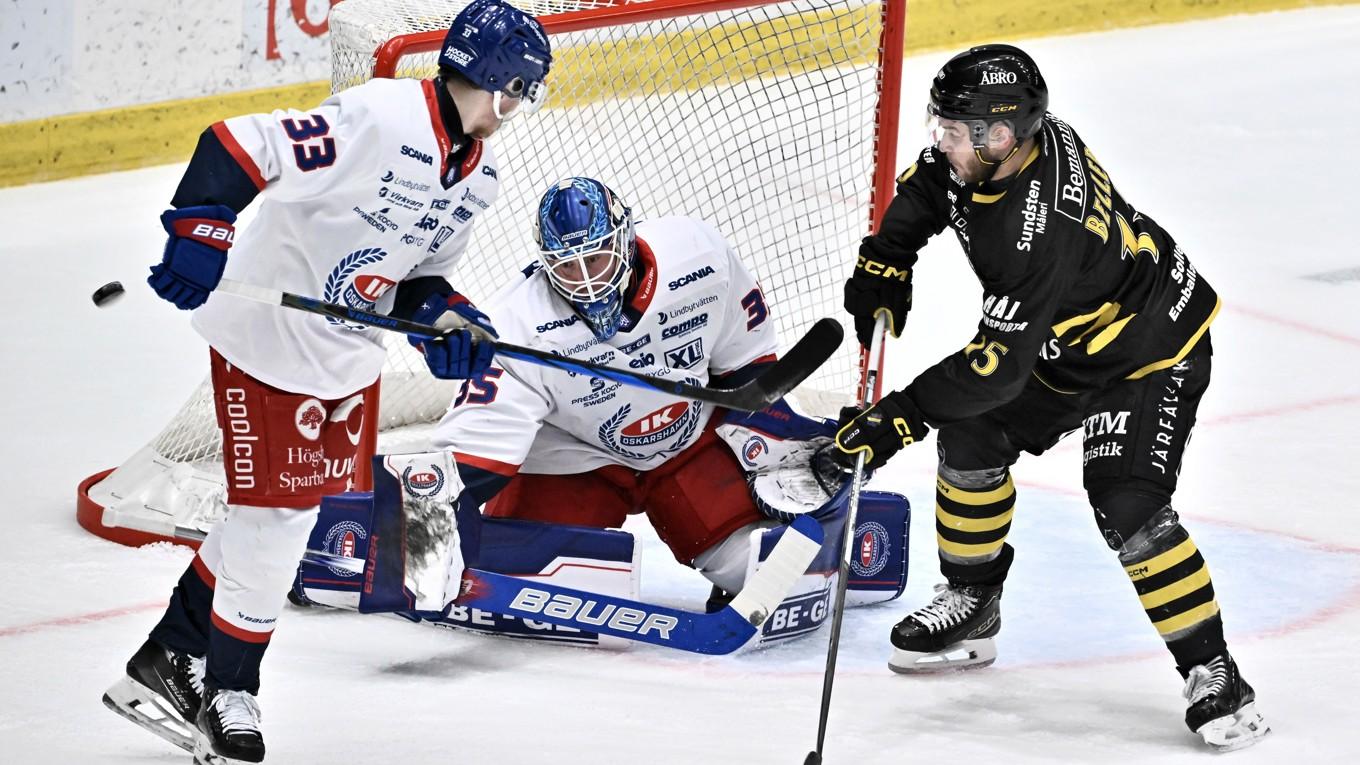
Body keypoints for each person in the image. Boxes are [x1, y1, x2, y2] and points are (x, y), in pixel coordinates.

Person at [101, 2, 551, 762]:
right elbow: (240, 145)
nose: (509, 112)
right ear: (473, 75)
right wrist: (201, 225)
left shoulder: (479, 179)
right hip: (268, 340)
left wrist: (450, 323)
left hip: (345, 354)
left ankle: (168, 657)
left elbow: (421, 283)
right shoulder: (379, 118)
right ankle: (228, 688)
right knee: (274, 520)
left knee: (279, 516)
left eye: (520, 98)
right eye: (506, 92)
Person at [832, 44, 1269, 751]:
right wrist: (888, 254)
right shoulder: (992, 153)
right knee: (970, 435)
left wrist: (893, 421)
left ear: (1000, 136)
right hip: (1065, 346)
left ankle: (1214, 671)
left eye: (953, 130)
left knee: (1126, 501)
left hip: (1148, 351)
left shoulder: (1036, 228)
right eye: (941, 125)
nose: (941, 142)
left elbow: (994, 371)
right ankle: (974, 600)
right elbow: (927, 187)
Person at [428, 176, 846, 606]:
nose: (586, 281)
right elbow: (474, 449)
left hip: (689, 447)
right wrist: (422, 520)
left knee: (782, 580)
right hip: (576, 461)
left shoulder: (698, 257)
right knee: (536, 594)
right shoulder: (517, 324)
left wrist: (785, 435)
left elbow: (746, 370)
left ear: (625, 241)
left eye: (597, 258)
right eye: (567, 266)